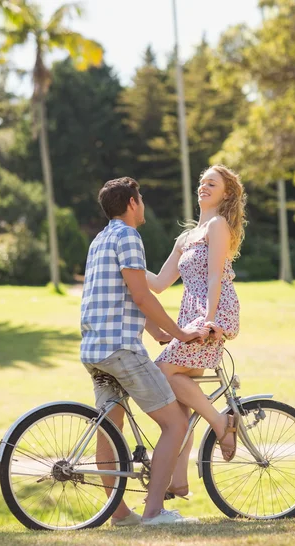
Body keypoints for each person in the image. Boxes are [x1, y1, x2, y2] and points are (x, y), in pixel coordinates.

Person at [80, 176, 209, 526]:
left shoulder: (101, 239)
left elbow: (122, 297)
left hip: (95, 349)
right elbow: (142, 295)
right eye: (141, 198)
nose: (144, 204)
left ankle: (119, 515)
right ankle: (154, 512)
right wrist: (181, 332)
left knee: (111, 430)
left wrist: (159, 333)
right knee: (175, 424)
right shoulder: (128, 236)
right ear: (132, 203)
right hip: (121, 350)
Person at [147, 164, 247, 499]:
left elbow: (214, 276)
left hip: (212, 314)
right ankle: (177, 482)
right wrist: (124, 264)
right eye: (202, 182)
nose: (203, 187)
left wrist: (208, 320)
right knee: (180, 401)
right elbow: (160, 283)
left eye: (212, 183)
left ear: (226, 193)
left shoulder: (218, 226)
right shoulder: (186, 237)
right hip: (190, 316)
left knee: (163, 371)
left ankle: (220, 423)